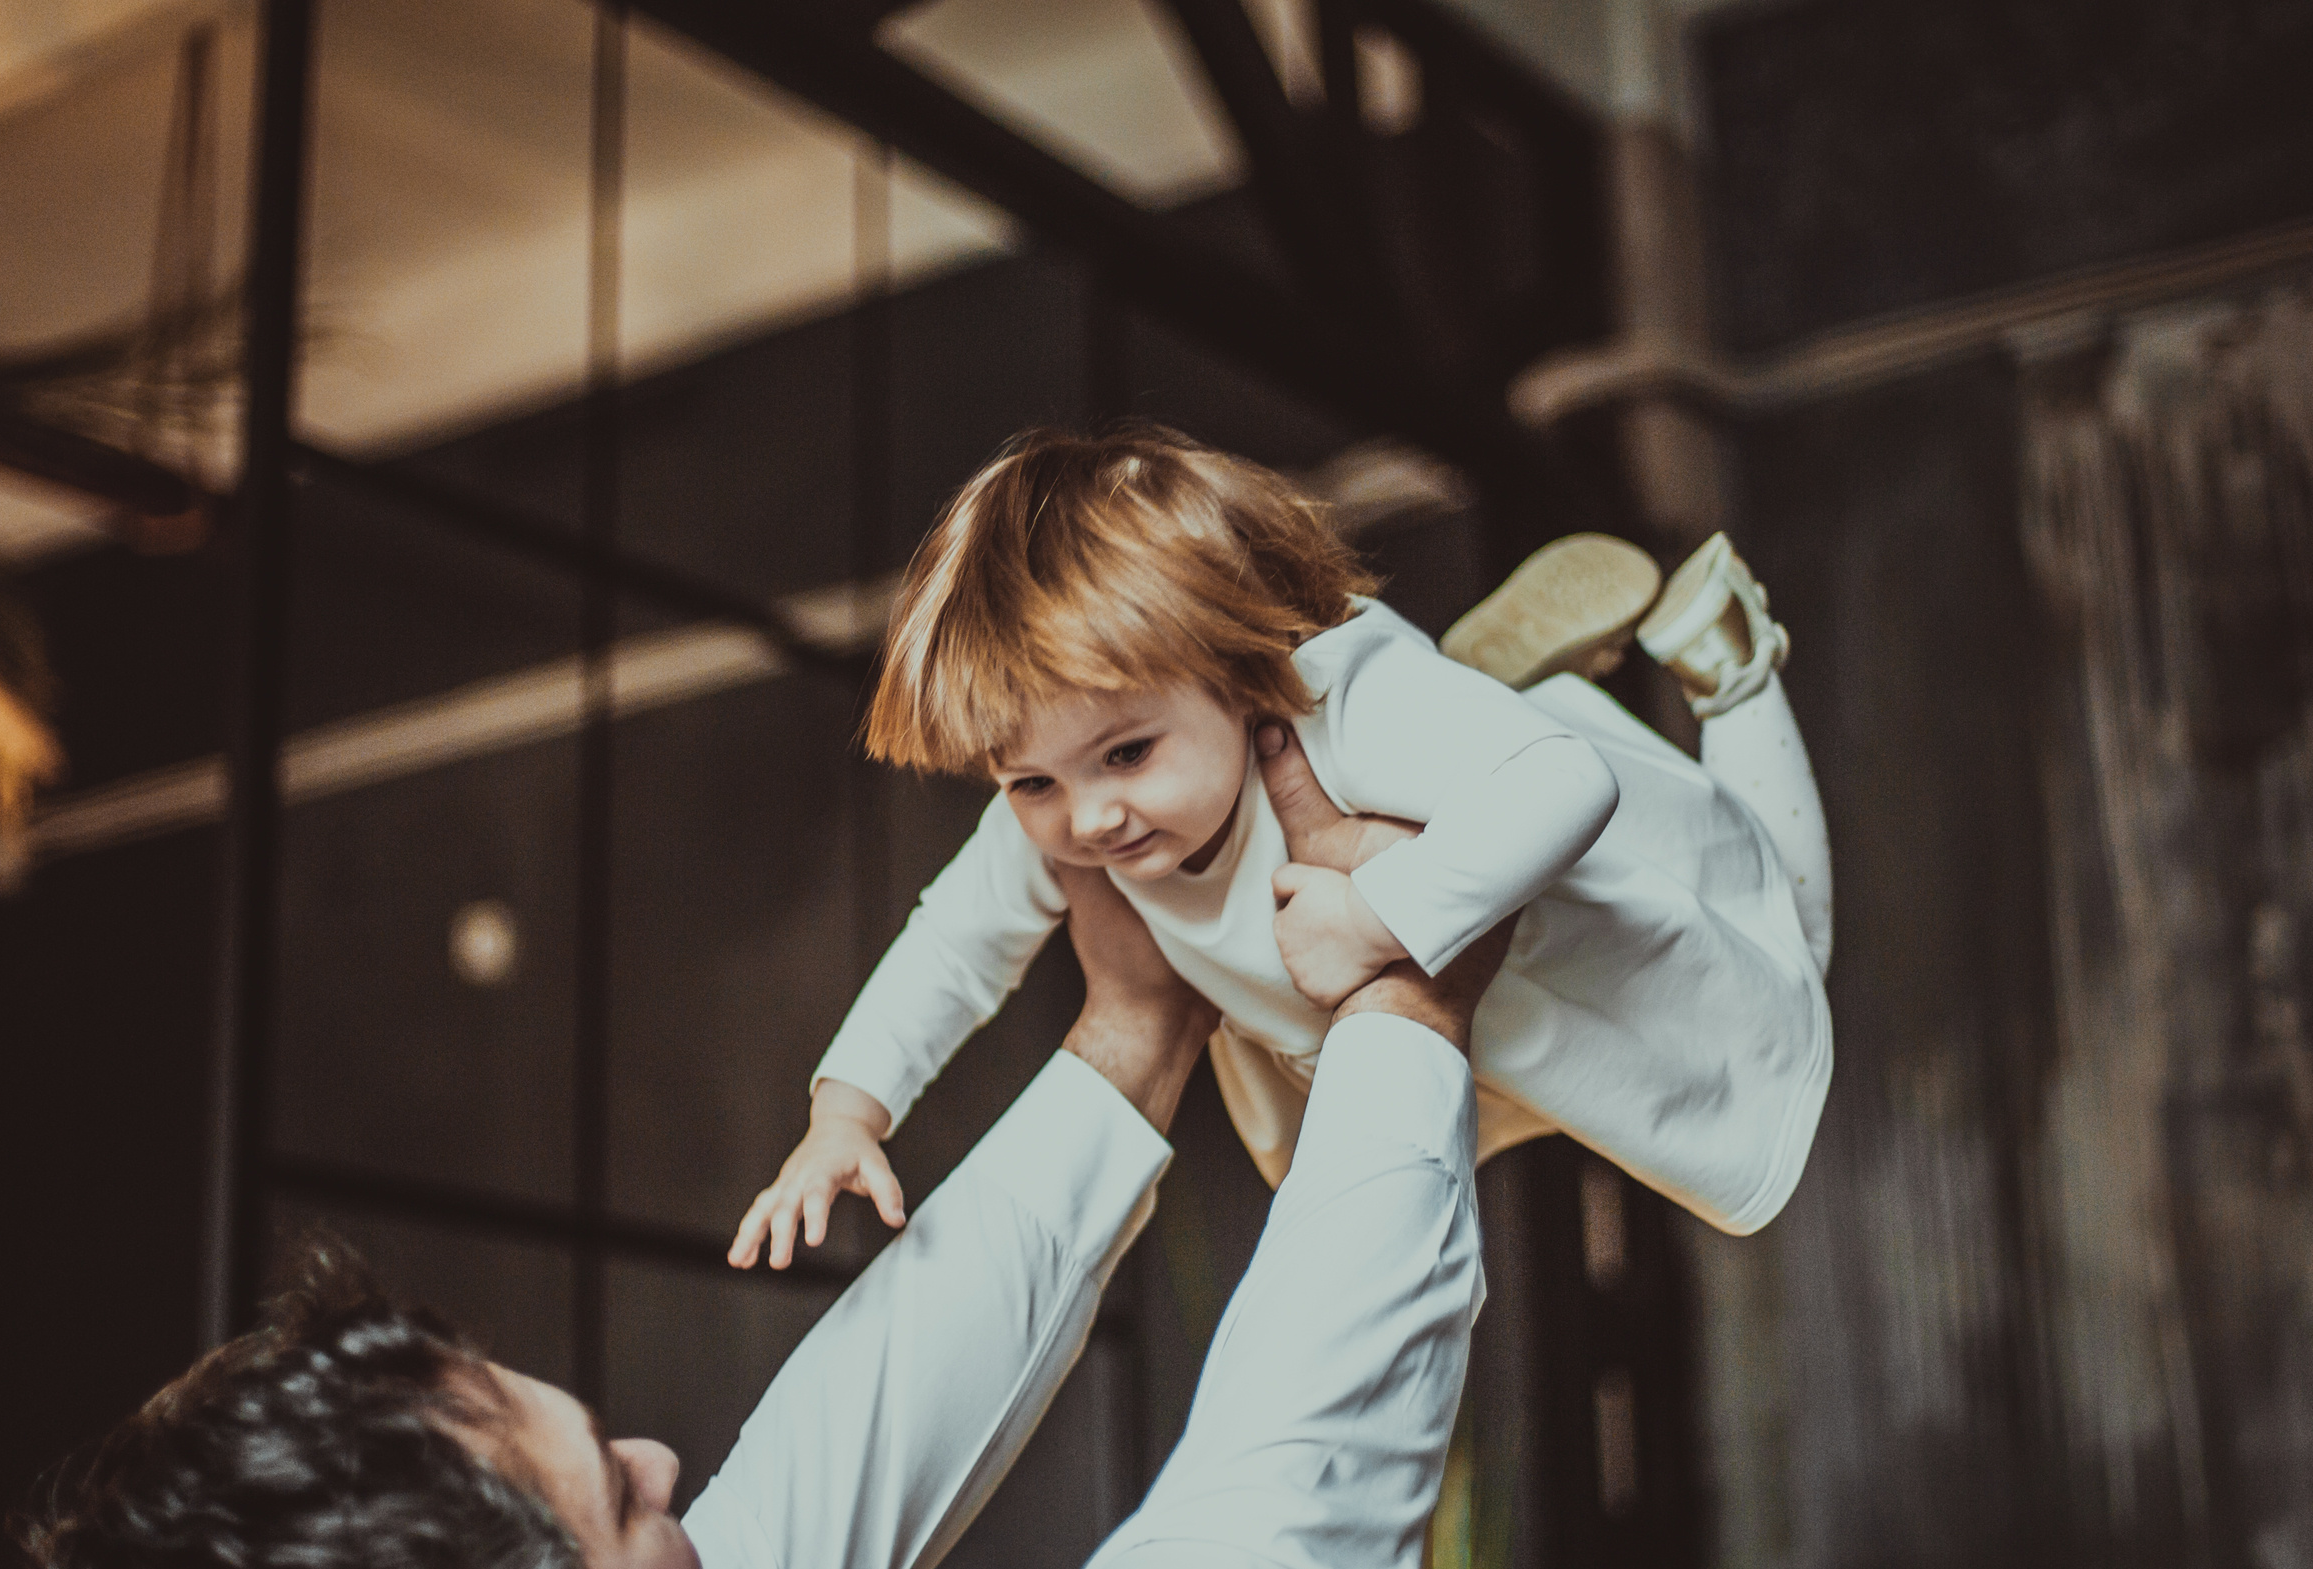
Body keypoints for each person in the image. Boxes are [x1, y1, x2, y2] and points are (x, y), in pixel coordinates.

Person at [7, 728, 1508, 1569]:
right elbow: (1264, 1541)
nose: (666, 1457)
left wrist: (1127, 1031)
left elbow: (816, 1493)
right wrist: (1401, 1001)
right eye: (619, 1496)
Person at [736, 424, 1832, 1269]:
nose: (1085, 823)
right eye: (1028, 782)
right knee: (1509, 1101)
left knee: (1788, 946)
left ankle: (1723, 658)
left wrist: (1377, 914)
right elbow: (953, 946)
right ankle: (1478, 699)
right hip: (1442, 1028)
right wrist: (846, 1113)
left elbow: (1564, 781)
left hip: (1553, 929)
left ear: (1234, 664)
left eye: (1126, 755)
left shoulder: (1330, 703)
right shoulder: (1070, 808)